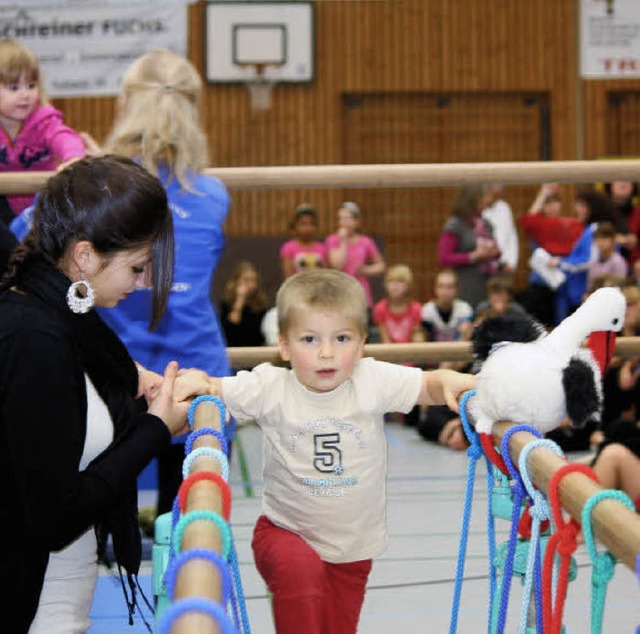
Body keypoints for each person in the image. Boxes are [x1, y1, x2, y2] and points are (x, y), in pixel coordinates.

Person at [193, 268, 477, 634]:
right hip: (284, 533)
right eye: (309, 339)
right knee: (301, 574)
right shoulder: (271, 386)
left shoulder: (371, 379)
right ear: (284, 345)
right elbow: (212, 388)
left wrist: (453, 380)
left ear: (361, 344)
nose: (326, 353)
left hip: (352, 553)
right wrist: (193, 383)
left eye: (341, 338)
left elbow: (429, 385)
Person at [0, 155, 203, 633]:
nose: (147, 281)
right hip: (29, 603)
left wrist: (141, 391)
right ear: (85, 256)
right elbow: (55, 518)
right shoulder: (35, 341)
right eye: (137, 267)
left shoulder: (65, 317)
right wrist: (155, 429)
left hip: (58, 592)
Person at [81, 48, 234, 518]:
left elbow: (30, 236)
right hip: (195, 368)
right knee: (184, 514)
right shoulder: (212, 194)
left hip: (118, 372)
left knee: (107, 501)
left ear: (126, 104)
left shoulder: (102, 189)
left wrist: (81, 176)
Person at [0, 39, 85, 217]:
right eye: (14, 87)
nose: (25, 95)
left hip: (42, 204)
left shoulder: (43, 122)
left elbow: (64, 137)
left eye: (31, 86)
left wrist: (73, 159)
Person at [517, 183, 584, 328]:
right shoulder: (539, 224)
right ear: (543, 206)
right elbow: (528, 221)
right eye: (548, 203)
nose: (552, 206)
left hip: (566, 277)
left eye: (555, 202)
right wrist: (543, 193)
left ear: (560, 204)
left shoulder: (571, 224)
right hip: (544, 280)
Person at [437, 184, 501, 307]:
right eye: (484, 198)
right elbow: (444, 258)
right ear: (473, 200)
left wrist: (494, 252)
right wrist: (473, 256)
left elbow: (497, 250)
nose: (488, 201)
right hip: (465, 284)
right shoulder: (455, 225)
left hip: (487, 283)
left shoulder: (485, 223)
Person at [326, 201, 385, 316]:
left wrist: (366, 270)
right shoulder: (332, 240)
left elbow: (381, 265)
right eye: (341, 219)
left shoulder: (365, 241)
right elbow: (337, 265)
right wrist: (343, 241)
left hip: (360, 290)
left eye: (347, 218)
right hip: (339, 292)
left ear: (356, 221)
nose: (343, 222)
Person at [220, 259, 269, 347]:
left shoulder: (261, 306)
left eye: (253, 280)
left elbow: (261, 335)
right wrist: (239, 301)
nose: (250, 284)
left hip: (255, 351)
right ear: (237, 281)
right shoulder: (226, 304)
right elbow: (230, 331)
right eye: (246, 280)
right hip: (233, 351)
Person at [372, 263, 424, 344]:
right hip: (390, 352)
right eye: (391, 281)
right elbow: (385, 339)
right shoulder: (380, 308)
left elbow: (417, 338)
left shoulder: (416, 308)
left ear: (409, 286)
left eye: (400, 281)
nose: (395, 285)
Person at [421, 268, 474, 343]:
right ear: (435, 289)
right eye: (441, 286)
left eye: (450, 287)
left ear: (456, 289)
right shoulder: (427, 311)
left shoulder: (464, 309)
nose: (445, 291)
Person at [280, 202, 327, 278]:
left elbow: (326, 274)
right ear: (295, 226)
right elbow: (288, 277)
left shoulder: (322, 248)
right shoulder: (288, 248)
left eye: (311, 224)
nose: (308, 228)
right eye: (303, 224)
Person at [482, 183, 519, 275]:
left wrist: (511, 261)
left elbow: (511, 237)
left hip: (503, 263)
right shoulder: (479, 209)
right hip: (483, 262)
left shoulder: (504, 208)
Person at [587, 220, 628, 289]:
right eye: (598, 238)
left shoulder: (618, 261)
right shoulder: (593, 262)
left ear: (613, 240)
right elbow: (589, 285)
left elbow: (621, 286)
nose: (600, 242)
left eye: (604, 239)